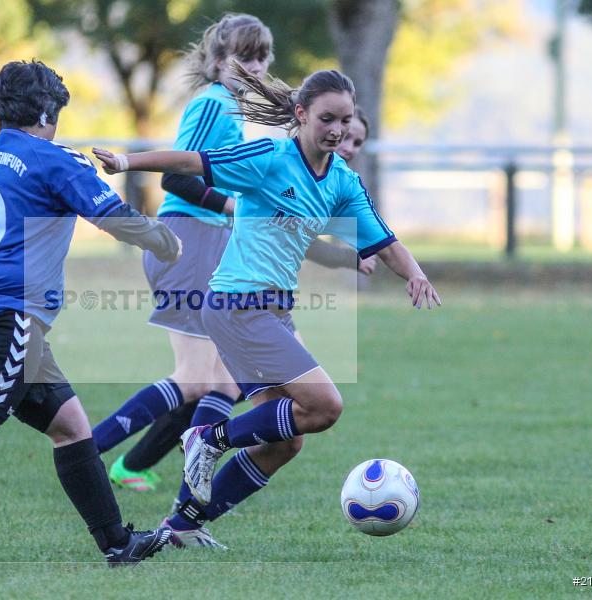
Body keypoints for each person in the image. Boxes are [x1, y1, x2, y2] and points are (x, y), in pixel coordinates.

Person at [93, 67, 440, 546]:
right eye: (326, 119)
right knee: (325, 406)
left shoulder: (341, 181)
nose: (337, 130)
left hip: (271, 311)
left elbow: (383, 241)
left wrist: (416, 273)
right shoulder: (269, 157)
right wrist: (127, 162)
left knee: (284, 443)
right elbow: (192, 162)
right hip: (237, 306)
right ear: (300, 115)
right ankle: (205, 438)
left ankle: (181, 526)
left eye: (344, 121)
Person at [0, 59, 177, 565]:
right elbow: (113, 217)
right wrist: (165, 240)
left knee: (69, 425)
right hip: (7, 318)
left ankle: (117, 543)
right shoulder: (54, 159)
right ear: (46, 110)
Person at [95, 14, 374, 510]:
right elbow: (178, 179)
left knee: (219, 382)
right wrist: (235, 206)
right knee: (202, 379)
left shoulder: (241, 113)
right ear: (218, 62)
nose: (257, 67)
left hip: (208, 243)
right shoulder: (214, 102)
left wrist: (343, 255)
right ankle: (91, 451)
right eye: (245, 58)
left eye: (264, 58)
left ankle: (173, 500)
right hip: (190, 238)